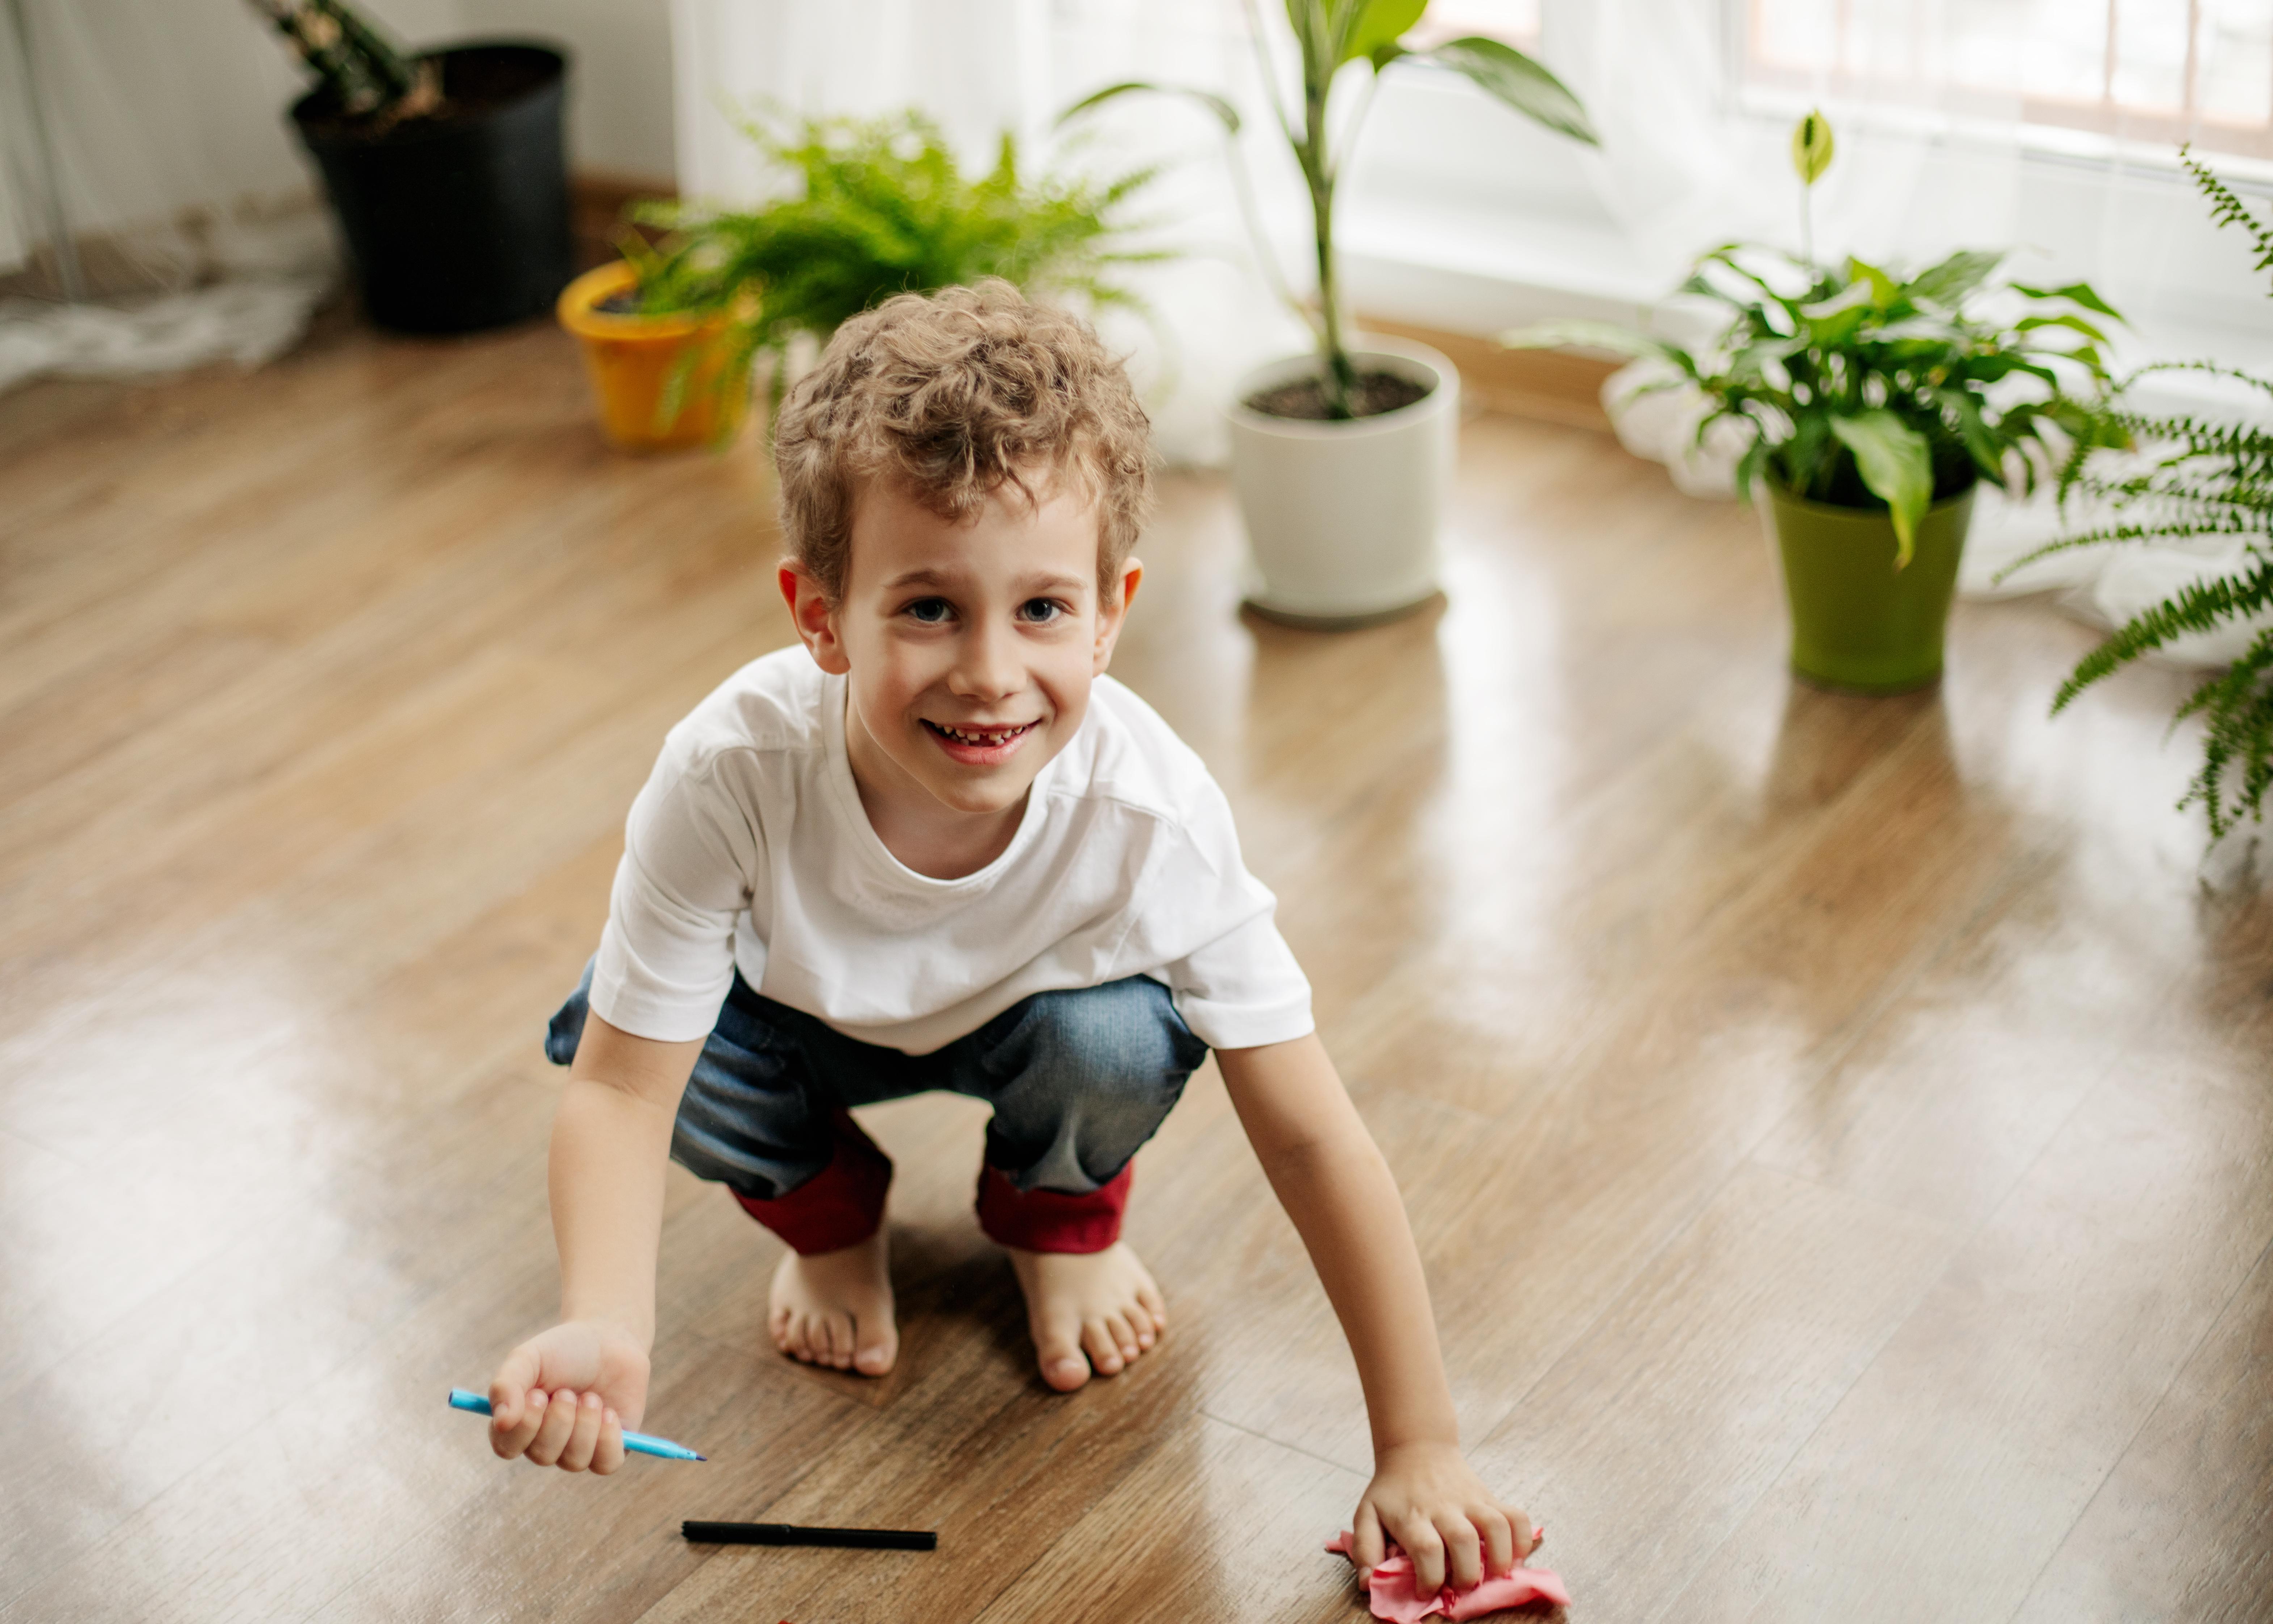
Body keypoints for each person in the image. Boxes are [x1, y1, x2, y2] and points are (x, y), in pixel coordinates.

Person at [485, 280, 1536, 1596]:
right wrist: (603, 1319)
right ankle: (831, 1226)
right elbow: (624, 1093)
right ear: (820, 616)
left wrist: (1421, 1444)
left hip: (1041, 1029)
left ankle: (1057, 1225)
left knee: (1121, 1041)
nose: (989, 671)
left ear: (1111, 613)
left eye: (1041, 610)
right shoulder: (729, 771)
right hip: (795, 1025)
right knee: (626, 1025)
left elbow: (1313, 1136)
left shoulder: (1152, 815)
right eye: (928, 608)